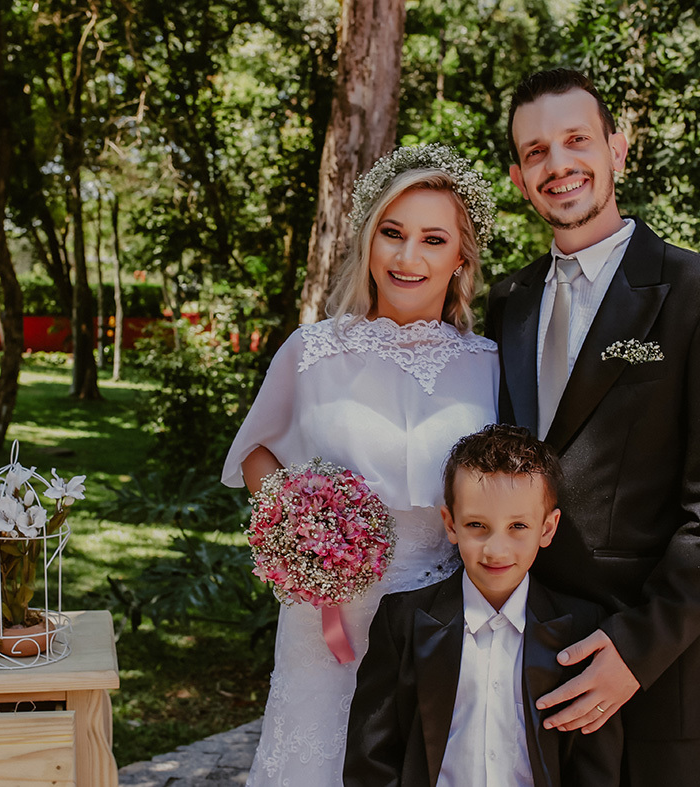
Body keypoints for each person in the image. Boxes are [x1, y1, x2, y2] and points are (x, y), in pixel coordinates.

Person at [485, 68, 700, 785]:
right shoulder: (507, 303)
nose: (558, 164)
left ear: (617, 149)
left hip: (652, 670)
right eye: (536, 151)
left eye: (576, 140)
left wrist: (636, 651)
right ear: (519, 179)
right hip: (528, 655)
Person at [222, 143, 501, 786]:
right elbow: (255, 452)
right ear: (368, 240)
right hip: (325, 619)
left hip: (439, 620)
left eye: (433, 239)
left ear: (461, 257)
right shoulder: (311, 352)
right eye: (392, 233)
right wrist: (295, 526)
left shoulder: (488, 363)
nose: (408, 257)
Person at [344, 424, 622, 787]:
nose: (496, 550)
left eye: (518, 526)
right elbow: (370, 759)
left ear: (547, 528)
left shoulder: (582, 628)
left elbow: (595, 769)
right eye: (477, 524)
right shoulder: (402, 621)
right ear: (451, 524)